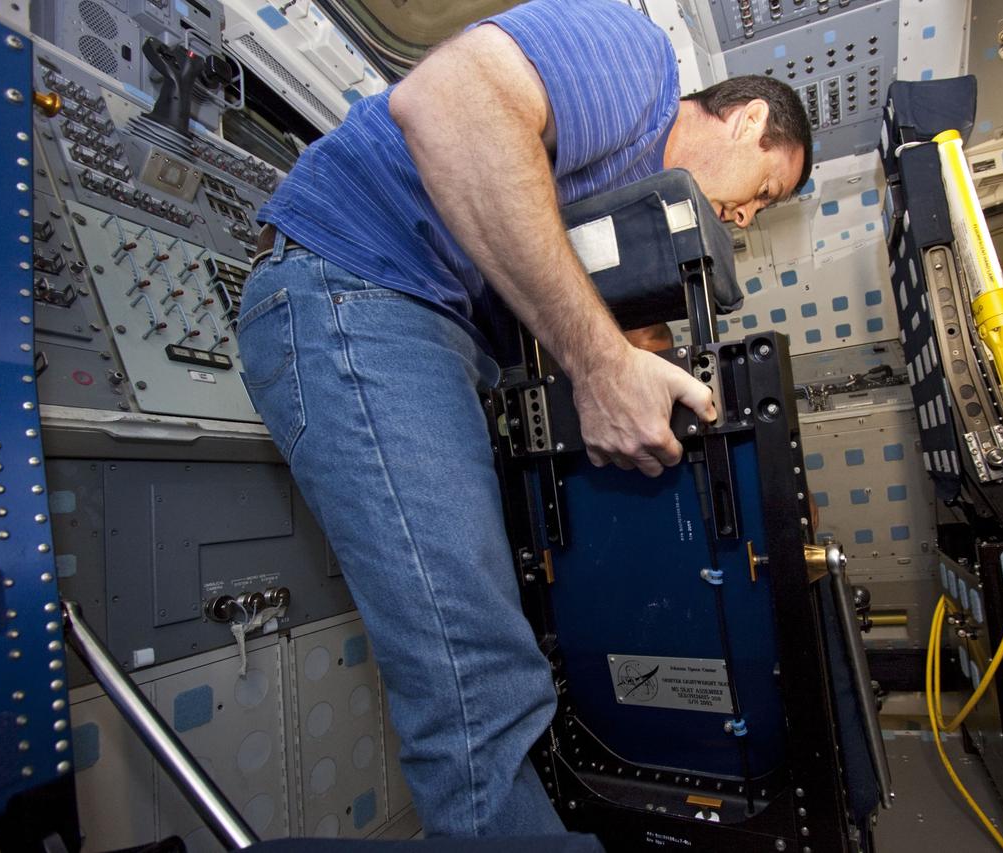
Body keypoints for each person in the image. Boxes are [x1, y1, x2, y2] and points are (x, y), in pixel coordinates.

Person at [235, 0, 811, 838]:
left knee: (501, 649)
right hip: (355, 289)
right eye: (762, 190)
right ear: (749, 117)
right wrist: (603, 364)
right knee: (475, 671)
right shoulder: (636, 59)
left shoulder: (605, 196)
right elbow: (447, 99)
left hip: (427, 324)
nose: (747, 218)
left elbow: (593, 316)